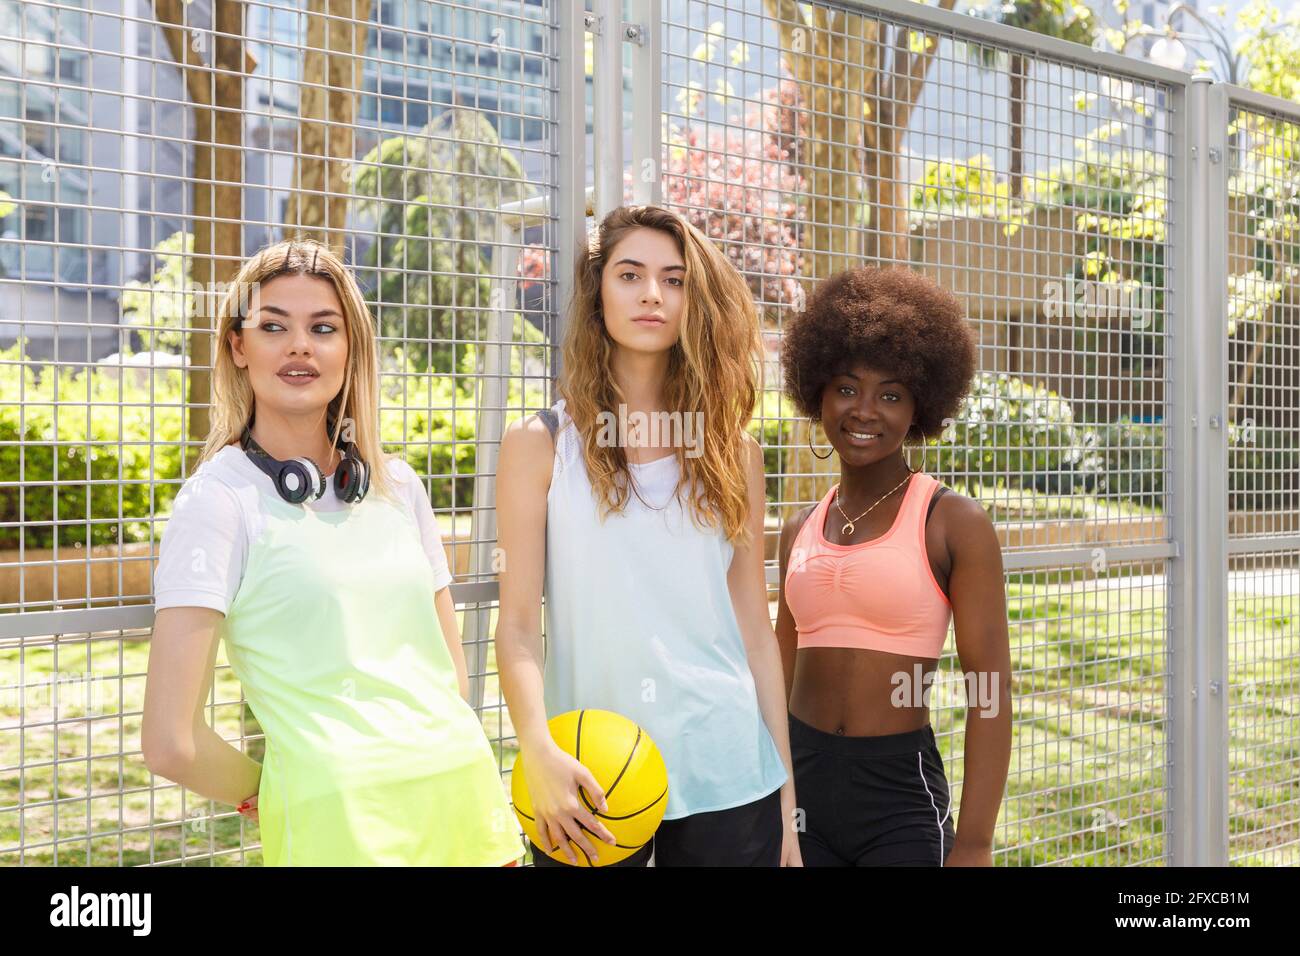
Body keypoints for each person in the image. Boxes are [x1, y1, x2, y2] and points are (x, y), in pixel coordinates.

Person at [142, 239, 522, 866]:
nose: (300, 346)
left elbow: (450, 680)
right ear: (237, 347)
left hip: (469, 809)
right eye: (272, 326)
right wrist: (284, 791)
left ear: (351, 349)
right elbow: (169, 741)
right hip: (341, 833)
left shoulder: (400, 486)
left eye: (323, 328)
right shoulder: (217, 500)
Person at [494, 205, 799, 867]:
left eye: (675, 278)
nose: (653, 294)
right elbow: (517, 625)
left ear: (697, 299)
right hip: (588, 775)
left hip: (726, 764)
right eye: (630, 274)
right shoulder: (538, 446)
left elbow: (754, 627)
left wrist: (786, 803)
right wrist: (537, 750)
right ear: (598, 292)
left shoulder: (733, 453)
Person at [774, 265, 1012, 867]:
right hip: (798, 788)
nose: (864, 411)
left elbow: (989, 692)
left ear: (919, 408)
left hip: (897, 795)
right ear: (818, 392)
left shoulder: (951, 522)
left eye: (890, 394)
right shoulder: (799, 528)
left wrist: (976, 842)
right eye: (847, 388)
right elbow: (774, 672)